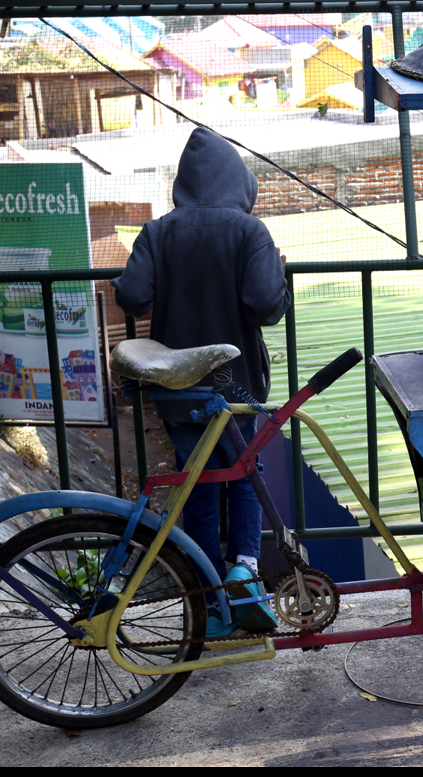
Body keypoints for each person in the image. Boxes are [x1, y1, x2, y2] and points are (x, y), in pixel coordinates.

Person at [113, 127, 289, 636]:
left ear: (184, 182)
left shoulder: (157, 232)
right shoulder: (249, 232)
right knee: (245, 473)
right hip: (237, 386)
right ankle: (245, 571)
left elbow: (132, 297)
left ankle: (211, 598)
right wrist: (280, 275)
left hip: (178, 392)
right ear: (238, 181)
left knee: (196, 485)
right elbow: (265, 305)